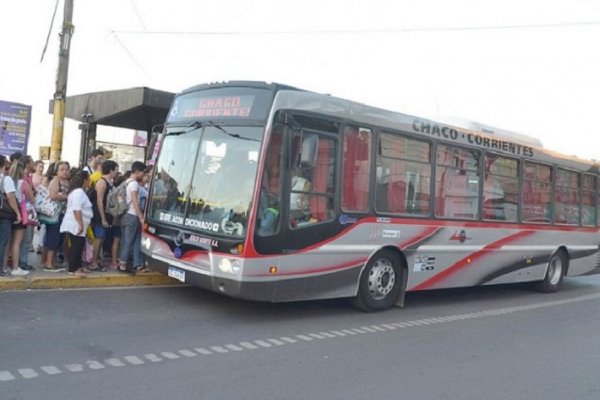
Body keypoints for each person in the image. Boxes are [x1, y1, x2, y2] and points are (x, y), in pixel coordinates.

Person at [60, 171, 93, 276]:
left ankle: (78, 266)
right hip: (76, 222)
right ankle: (73, 269)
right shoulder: (78, 192)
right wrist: (80, 224)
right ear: (84, 180)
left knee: (80, 244)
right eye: (89, 179)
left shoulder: (77, 191)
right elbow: (76, 209)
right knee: (76, 246)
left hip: (78, 222)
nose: (90, 181)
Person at [89, 160, 118, 270]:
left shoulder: (109, 182)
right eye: (115, 170)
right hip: (100, 215)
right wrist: (103, 218)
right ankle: (93, 261)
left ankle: (97, 259)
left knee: (102, 238)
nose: (116, 173)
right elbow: (99, 201)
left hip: (107, 215)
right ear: (111, 170)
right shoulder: (102, 182)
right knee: (99, 238)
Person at [118, 161, 146, 273]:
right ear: (137, 171)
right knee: (128, 241)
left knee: (127, 239)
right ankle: (123, 265)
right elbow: (135, 200)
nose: (143, 175)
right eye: (143, 173)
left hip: (125, 214)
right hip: (132, 215)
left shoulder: (127, 182)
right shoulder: (134, 184)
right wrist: (141, 216)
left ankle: (131, 263)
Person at [42, 161, 70, 272]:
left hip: (64, 213)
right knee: (53, 237)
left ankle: (52, 262)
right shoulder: (55, 181)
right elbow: (53, 195)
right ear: (57, 171)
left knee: (60, 238)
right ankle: (48, 263)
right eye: (62, 169)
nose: (64, 171)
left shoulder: (68, 181)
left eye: (66, 169)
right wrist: (67, 197)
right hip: (55, 214)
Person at [6, 159, 33, 275]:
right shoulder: (23, 183)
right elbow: (32, 199)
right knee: (17, 242)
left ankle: (5, 265)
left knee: (8, 242)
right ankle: (16, 267)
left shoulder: (8, 181)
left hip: (8, 213)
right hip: (21, 213)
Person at [0, 156, 23, 276]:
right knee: (2, 242)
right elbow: (10, 197)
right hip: (3, 215)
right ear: (4, 165)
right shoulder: (6, 179)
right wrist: (17, 213)